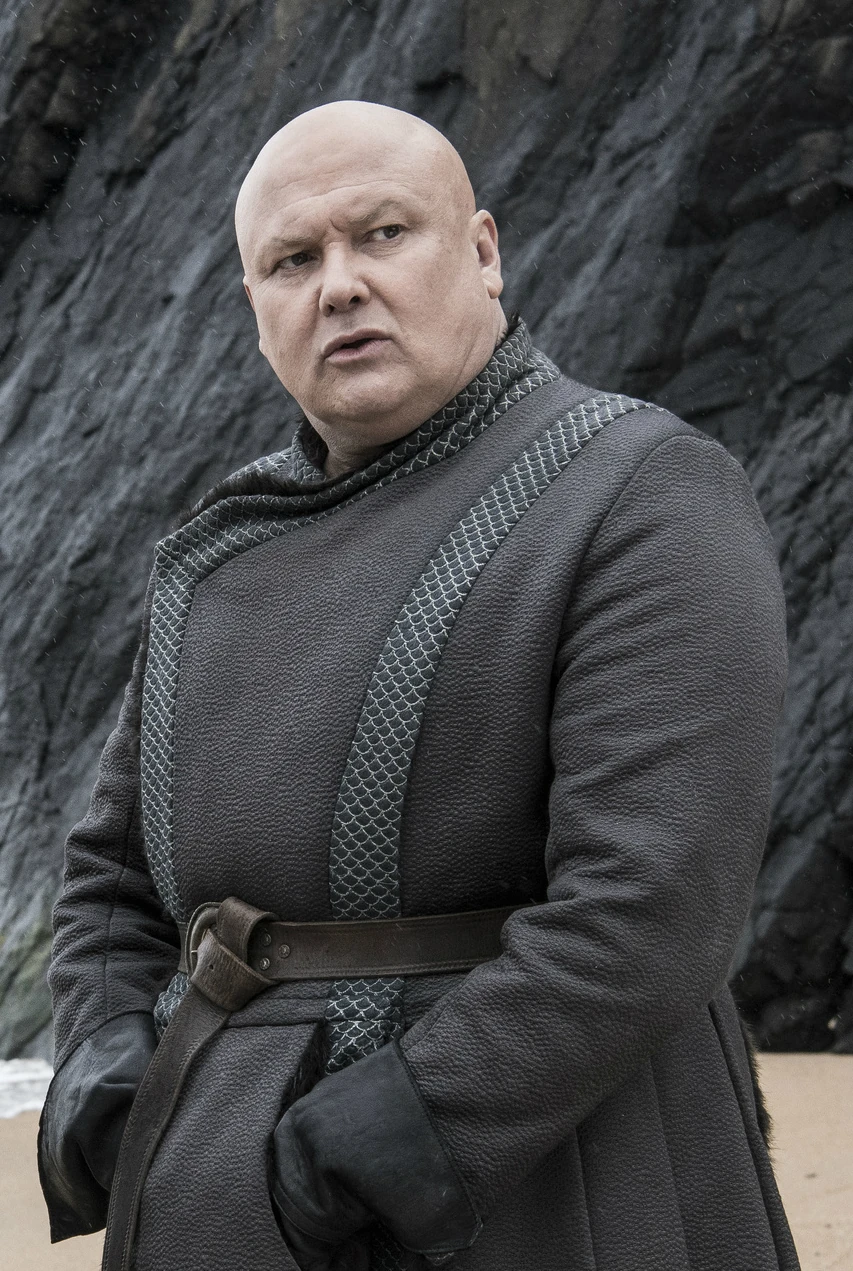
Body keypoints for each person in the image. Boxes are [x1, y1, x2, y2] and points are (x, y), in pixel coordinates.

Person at [38, 101, 799, 1271]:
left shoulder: (644, 491)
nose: (339, 284)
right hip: (219, 1191)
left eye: (382, 234)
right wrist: (103, 1060)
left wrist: (367, 1149)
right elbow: (111, 871)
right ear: (256, 307)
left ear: (483, 252)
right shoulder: (218, 547)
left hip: (545, 1193)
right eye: (293, 260)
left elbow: (651, 907)